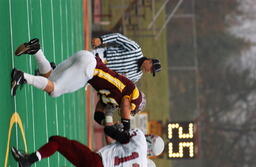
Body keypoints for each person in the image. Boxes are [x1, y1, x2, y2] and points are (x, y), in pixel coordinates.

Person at [11, 38, 146, 129]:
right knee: (55, 90)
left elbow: (100, 109)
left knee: (51, 79)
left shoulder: (118, 98)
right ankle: (22, 77)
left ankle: (36, 50)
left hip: (87, 58)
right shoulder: (133, 97)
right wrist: (126, 127)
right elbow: (126, 105)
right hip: (89, 70)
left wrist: (107, 123)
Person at [11, 124, 164, 167]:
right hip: (98, 161)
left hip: (97, 162)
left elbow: (110, 130)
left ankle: (28, 160)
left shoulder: (140, 140)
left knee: (57, 142)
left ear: (150, 140)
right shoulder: (143, 163)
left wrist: (111, 122)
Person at [91, 33, 162, 83]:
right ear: (150, 61)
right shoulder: (136, 49)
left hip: (100, 74)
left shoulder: (137, 76)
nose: (148, 71)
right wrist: (101, 40)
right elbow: (118, 37)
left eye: (151, 71)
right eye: (151, 68)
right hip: (99, 57)